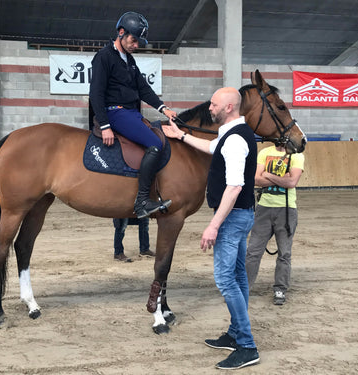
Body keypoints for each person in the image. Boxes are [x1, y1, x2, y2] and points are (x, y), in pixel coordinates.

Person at [163, 87, 260, 370]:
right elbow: (210, 147)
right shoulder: (232, 135)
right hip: (241, 216)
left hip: (231, 219)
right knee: (238, 277)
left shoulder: (234, 141)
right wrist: (181, 136)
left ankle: (247, 345)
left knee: (225, 280)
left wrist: (213, 225)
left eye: (215, 105)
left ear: (229, 107)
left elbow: (234, 186)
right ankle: (235, 333)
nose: (210, 109)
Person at [89, 11, 177, 219]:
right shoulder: (104, 57)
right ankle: (142, 202)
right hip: (115, 113)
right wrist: (104, 125)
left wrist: (163, 108)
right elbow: (96, 94)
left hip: (131, 113)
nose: (136, 45)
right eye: (133, 40)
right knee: (155, 145)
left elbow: (143, 89)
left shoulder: (129, 60)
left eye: (138, 42)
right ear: (121, 33)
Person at [245, 144, 304, 305]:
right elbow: (256, 179)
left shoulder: (296, 155)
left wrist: (268, 175)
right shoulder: (265, 152)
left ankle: (280, 289)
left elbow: (292, 182)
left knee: (284, 253)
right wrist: (281, 179)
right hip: (264, 208)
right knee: (253, 251)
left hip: (286, 209)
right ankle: (244, 288)